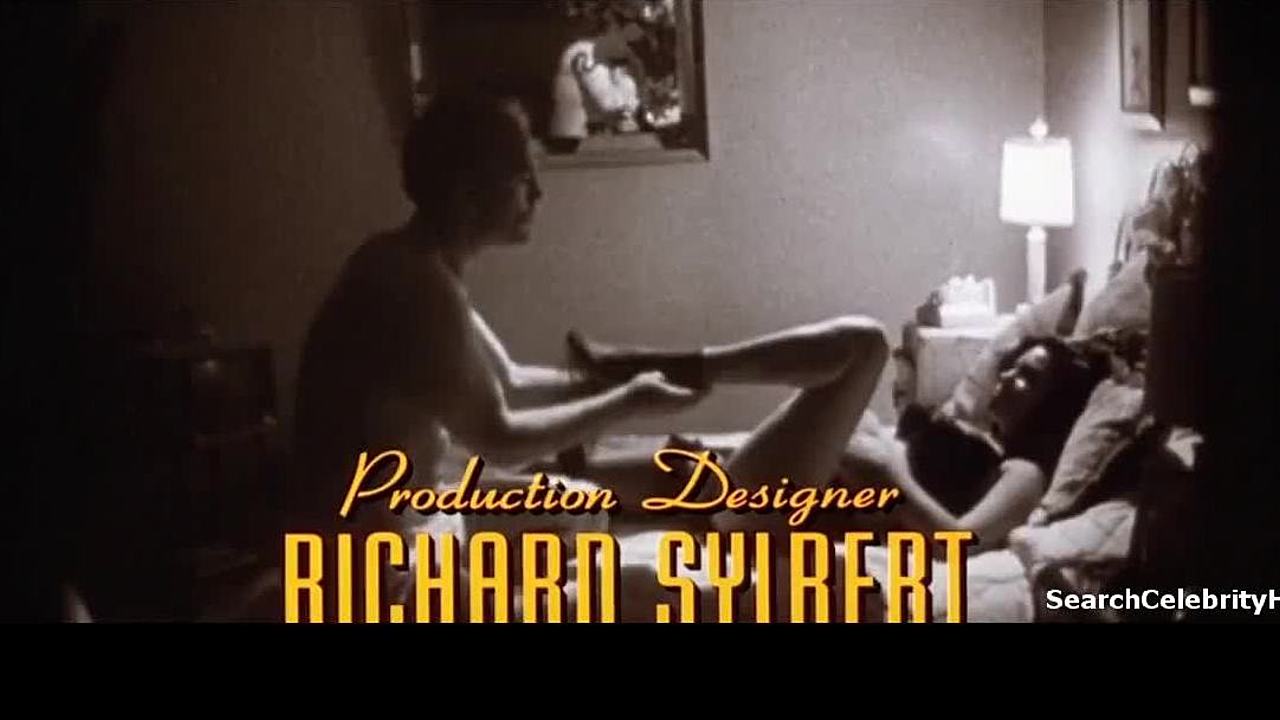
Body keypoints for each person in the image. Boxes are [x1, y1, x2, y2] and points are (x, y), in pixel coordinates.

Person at [290, 91, 889, 540]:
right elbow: (501, 438)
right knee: (609, 503)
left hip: (410, 514)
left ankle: (700, 429)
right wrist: (627, 400)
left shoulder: (415, 265)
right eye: (523, 180)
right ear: (468, 195)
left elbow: (510, 384)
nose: (538, 195)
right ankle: (716, 480)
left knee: (643, 485)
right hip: (374, 553)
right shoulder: (414, 289)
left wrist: (615, 380)